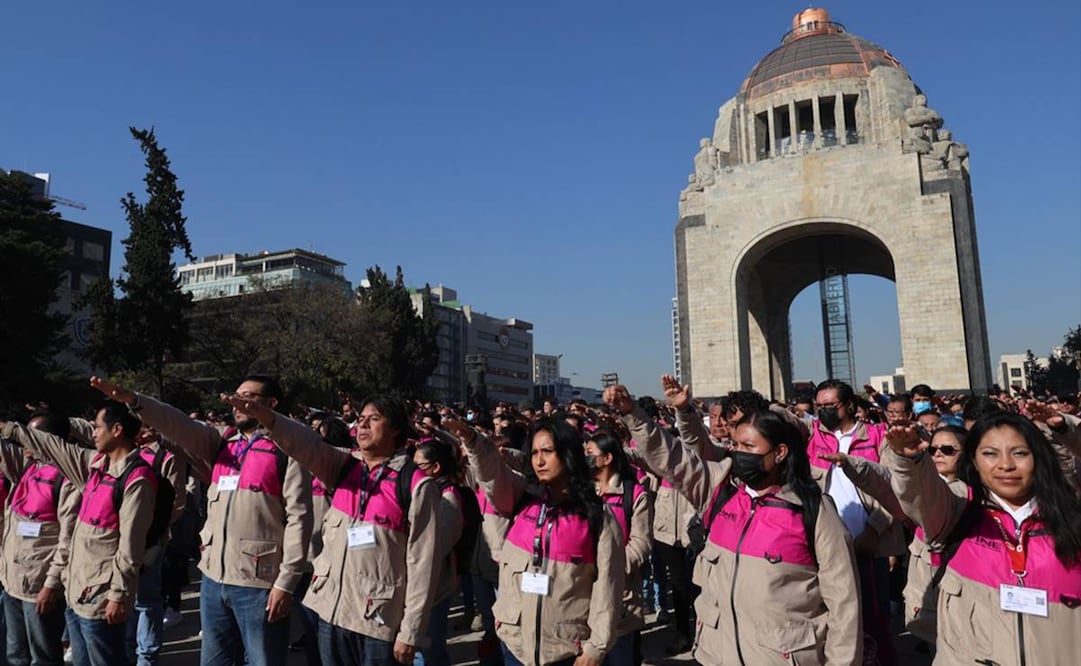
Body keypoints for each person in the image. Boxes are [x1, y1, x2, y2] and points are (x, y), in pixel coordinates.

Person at [607, 381, 861, 665]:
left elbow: (844, 607)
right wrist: (632, 414)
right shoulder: (719, 488)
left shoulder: (814, 511)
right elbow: (671, 456)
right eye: (736, 444)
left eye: (749, 446)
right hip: (717, 655)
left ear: (779, 453)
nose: (739, 453)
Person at [90, 376, 313, 666]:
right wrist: (134, 400)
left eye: (249, 397)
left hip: (259, 583)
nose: (238, 403)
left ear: (272, 404)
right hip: (213, 579)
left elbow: (300, 518)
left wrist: (286, 582)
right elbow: (179, 424)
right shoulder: (223, 444)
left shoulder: (288, 449)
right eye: (236, 395)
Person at [219, 393, 439, 666]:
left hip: (377, 623)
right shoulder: (344, 465)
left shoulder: (416, 485)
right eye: (360, 420)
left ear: (395, 428)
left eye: (374, 419)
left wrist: (411, 631)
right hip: (330, 613)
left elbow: (423, 566)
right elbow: (304, 443)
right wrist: (267, 417)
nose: (363, 426)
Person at [884, 411, 1081, 665]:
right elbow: (923, 496)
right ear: (974, 461)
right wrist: (909, 462)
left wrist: (1065, 428)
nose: (1006, 464)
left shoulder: (1070, 515)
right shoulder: (958, 510)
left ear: (1038, 458)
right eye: (990, 454)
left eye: (1019, 453)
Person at [447, 417, 625, 666]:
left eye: (548, 452)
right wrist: (473, 440)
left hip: (566, 650)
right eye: (534, 453)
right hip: (515, 646)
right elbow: (492, 473)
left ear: (568, 454)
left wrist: (596, 648)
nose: (539, 461)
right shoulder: (523, 496)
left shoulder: (597, 517)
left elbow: (609, 587)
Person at [1, 400, 158, 666]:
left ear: (117, 430)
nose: (92, 433)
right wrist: (9, 429)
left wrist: (118, 596)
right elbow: (53, 446)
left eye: (97, 427)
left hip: (100, 600)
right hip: (77, 594)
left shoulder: (136, 480)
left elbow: (130, 547)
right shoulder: (93, 465)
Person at [808, 380, 902, 665]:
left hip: (869, 543)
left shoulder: (878, 436)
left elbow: (896, 489)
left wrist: (875, 530)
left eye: (830, 405)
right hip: (826, 546)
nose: (823, 411)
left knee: (873, 618)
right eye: (819, 406)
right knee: (835, 618)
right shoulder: (810, 436)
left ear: (849, 405)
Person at [0, 412, 80, 666]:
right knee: (15, 654)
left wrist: (51, 585)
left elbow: (67, 541)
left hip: (39, 586)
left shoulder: (68, 480)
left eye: (32, 437)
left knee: (43, 657)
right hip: (12, 581)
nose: (24, 444)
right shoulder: (26, 467)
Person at [583, 431, 652, 665]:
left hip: (620, 590)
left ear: (608, 458)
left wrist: (611, 569)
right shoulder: (582, 491)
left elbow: (641, 544)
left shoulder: (633, 494)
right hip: (583, 588)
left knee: (619, 652)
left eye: (590, 453)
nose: (586, 457)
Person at [411, 438, 463, 666]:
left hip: (435, 584)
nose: (414, 472)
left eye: (419, 466)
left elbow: (435, 547)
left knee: (428, 649)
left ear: (436, 467)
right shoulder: (427, 491)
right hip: (420, 582)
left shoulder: (448, 498)